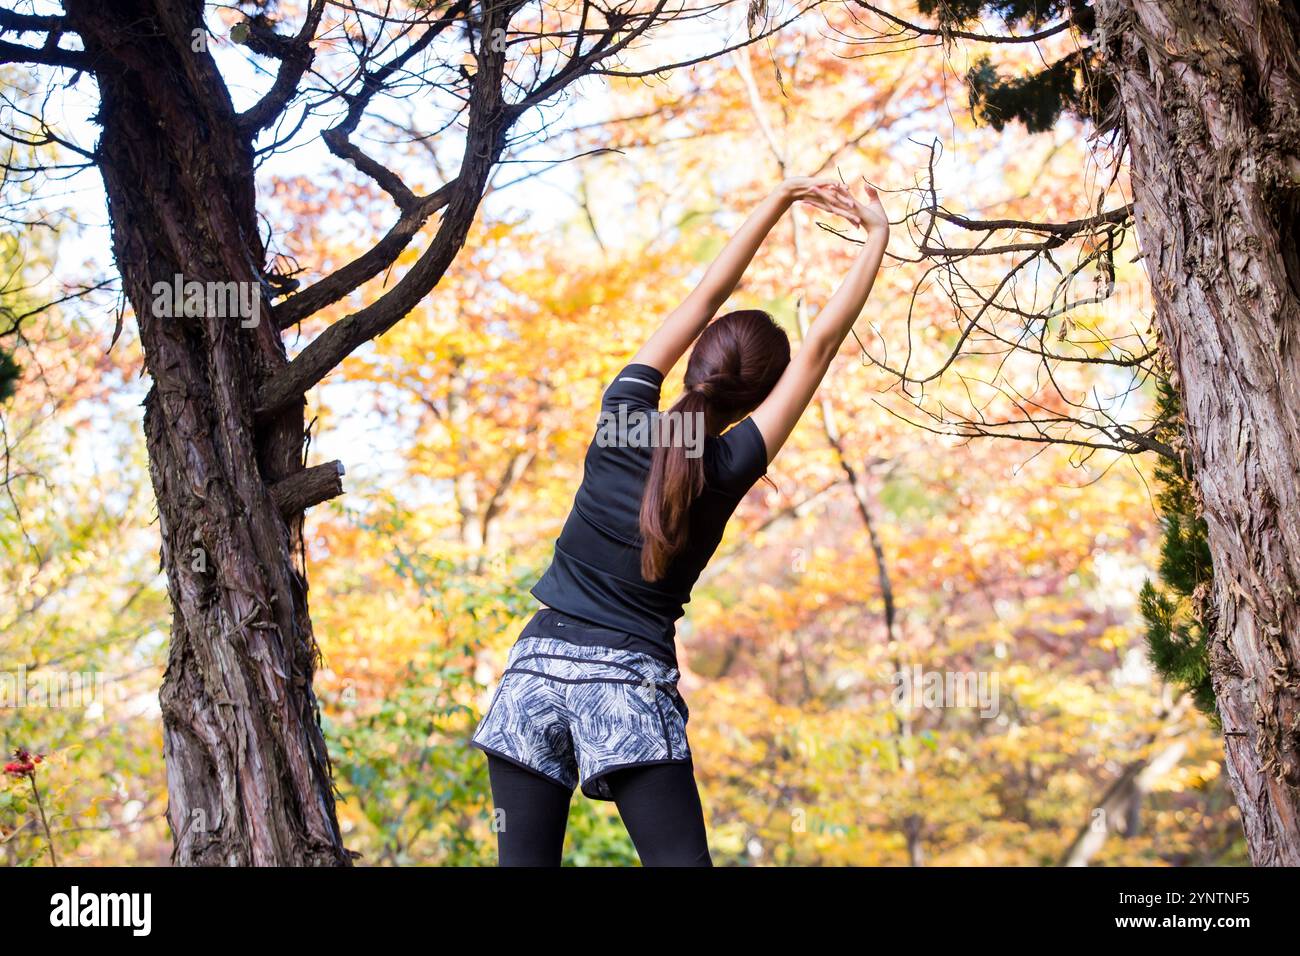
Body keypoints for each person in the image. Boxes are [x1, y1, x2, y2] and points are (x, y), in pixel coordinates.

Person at [471, 176, 891, 866]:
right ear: (753, 396)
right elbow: (817, 348)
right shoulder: (726, 464)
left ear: (695, 365)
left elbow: (703, 299)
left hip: (533, 672)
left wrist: (782, 195)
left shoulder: (621, 412)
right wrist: (876, 236)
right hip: (629, 688)